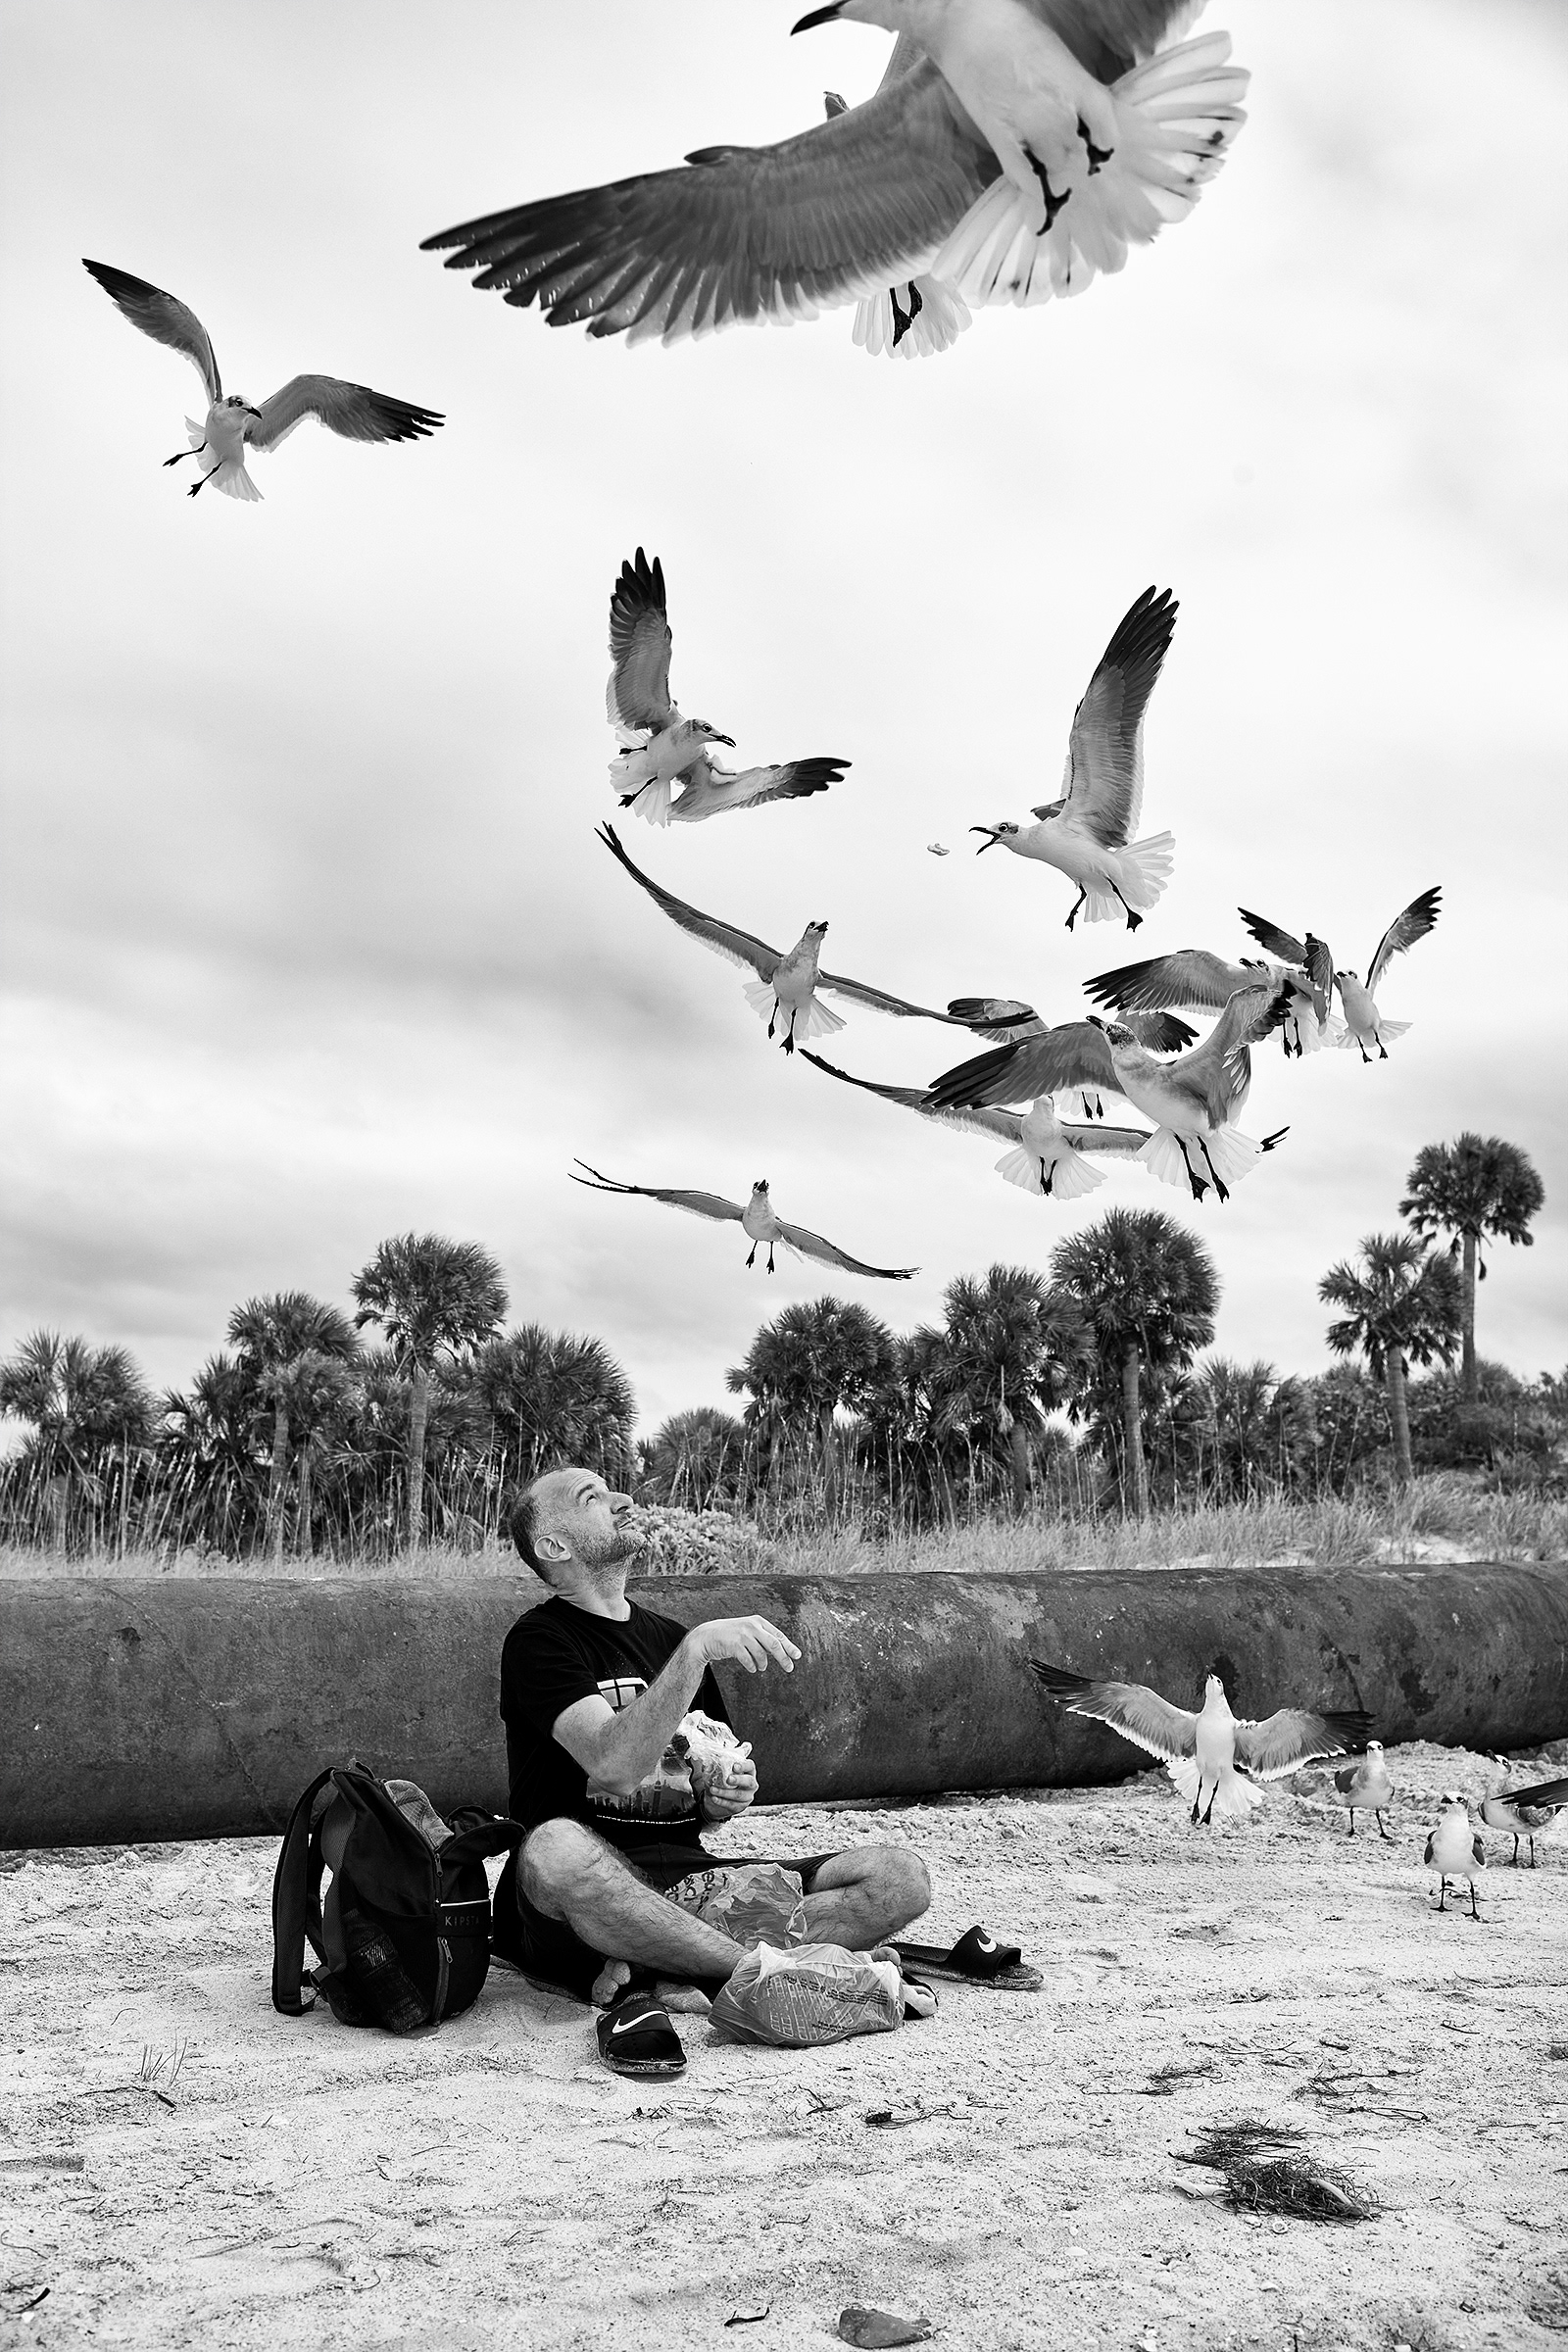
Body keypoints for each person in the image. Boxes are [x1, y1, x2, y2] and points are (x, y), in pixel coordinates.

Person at [492, 1466, 931, 2019]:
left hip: (689, 1880)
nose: (622, 1498)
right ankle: (765, 1967)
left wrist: (721, 1798)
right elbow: (614, 1766)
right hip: (587, 1892)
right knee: (555, 1847)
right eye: (593, 1498)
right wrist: (696, 1651)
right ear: (554, 1545)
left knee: (898, 1878)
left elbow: (698, 1793)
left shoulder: (668, 1637)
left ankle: (672, 1961)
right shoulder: (538, 1641)